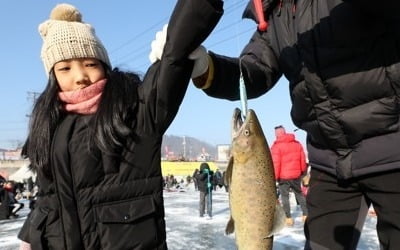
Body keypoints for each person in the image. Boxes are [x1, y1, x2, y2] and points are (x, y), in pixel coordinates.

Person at [174, 1, 400, 249]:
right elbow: (253, 70)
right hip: (330, 163)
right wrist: (207, 67)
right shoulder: (275, 14)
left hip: (392, 147)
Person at [17, 1, 223, 249]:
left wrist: (188, 23)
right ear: (53, 75)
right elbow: (47, 195)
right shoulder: (48, 123)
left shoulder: (135, 111)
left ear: (104, 65)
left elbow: (173, 57)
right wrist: (29, 237)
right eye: (65, 68)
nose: (80, 76)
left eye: (90, 63)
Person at [271, 125, 308, 226]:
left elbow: (276, 164)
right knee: (299, 194)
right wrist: (303, 171)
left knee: (285, 197)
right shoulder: (296, 144)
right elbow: (302, 159)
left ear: (276, 134)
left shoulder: (276, 146)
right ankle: (305, 214)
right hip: (296, 175)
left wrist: (275, 177)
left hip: (283, 177)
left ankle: (288, 218)